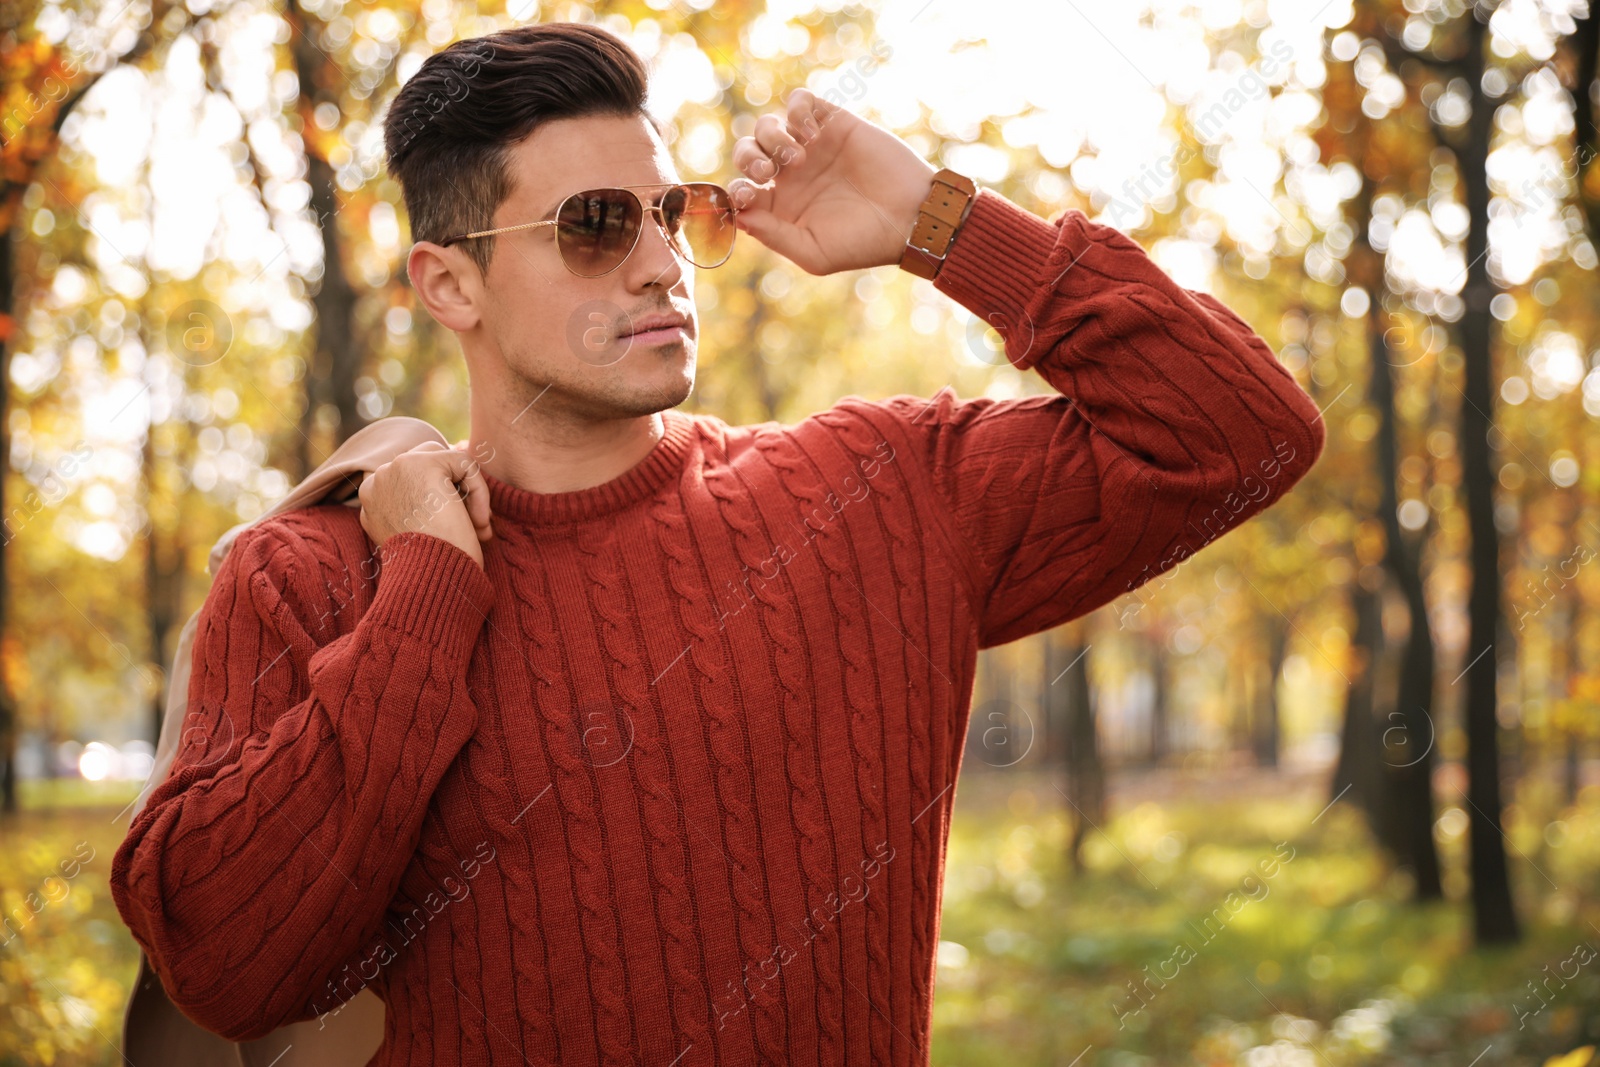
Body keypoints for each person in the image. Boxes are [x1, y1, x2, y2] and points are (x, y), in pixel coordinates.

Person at [111, 20, 1326, 1066]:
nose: (658, 263)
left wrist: (937, 223)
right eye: (593, 225)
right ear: (448, 284)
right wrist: (425, 595)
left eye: (671, 211)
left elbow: (1241, 434)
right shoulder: (318, 573)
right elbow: (224, 964)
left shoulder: (877, 493)